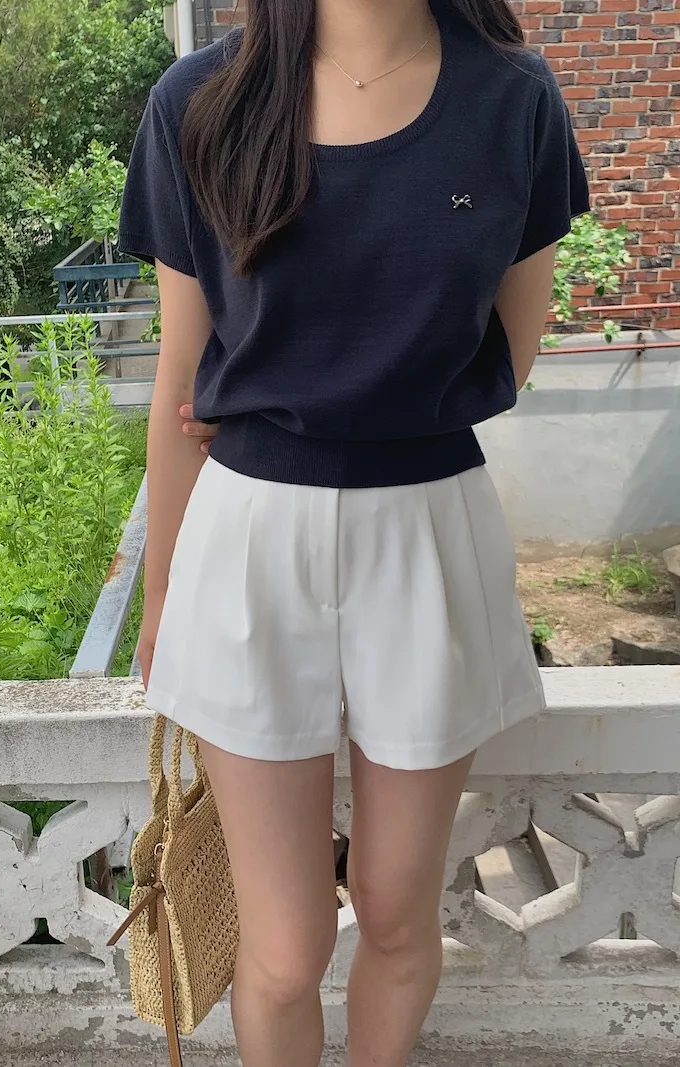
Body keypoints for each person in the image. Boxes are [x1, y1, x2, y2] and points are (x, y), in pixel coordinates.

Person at [119, 0, 589, 1062]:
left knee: (394, 911)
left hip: (428, 529)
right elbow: (181, 377)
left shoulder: (512, 100)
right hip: (249, 538)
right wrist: (161, 593)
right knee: (283, 947)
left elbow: (509, 353)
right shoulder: (199, 101)